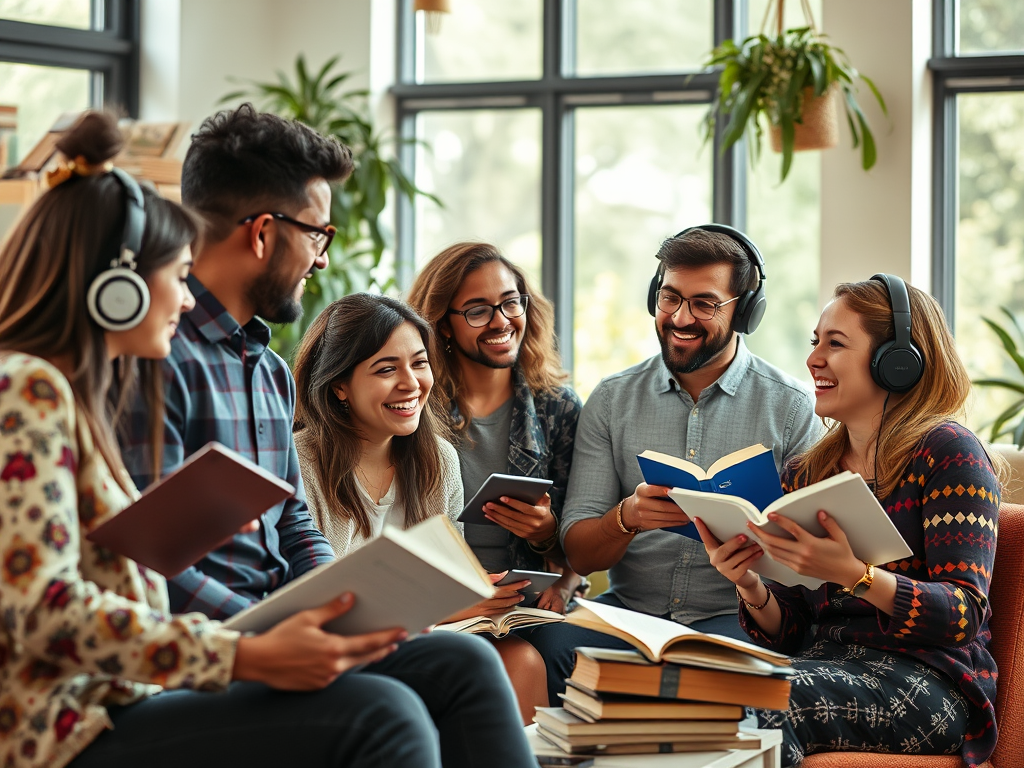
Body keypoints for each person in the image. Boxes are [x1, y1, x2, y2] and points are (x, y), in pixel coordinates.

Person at [0, 112, 536, 768]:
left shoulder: (258, 370)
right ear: (119, 293)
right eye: (174, 272)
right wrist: (256, 645)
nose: (180, 297)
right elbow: (67, 601)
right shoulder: (55, 387)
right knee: (386, 715)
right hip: (85, 711)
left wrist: (344, 608)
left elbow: (278, 519)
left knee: (463, 659)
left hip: (178, 661)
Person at [695, 275, 1002, 767]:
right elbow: (793, 629)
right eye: (815, 342)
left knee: (770, 696)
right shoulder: (806, 472)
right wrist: (749, 583)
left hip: (929, 685)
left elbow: (963, 614)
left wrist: (854, 575)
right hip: (822, 665)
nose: (814, 359)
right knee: (696, 686)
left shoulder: (948, 454)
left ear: (897, 363)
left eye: (835, 344)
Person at [526, 224, 822, 705]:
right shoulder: (612, 400)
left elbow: (810, 560)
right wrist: (626, 519)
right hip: (628, 614)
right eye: (669, 298)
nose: (680, 317)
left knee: (755, 682)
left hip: (738, 618)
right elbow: (579, 554)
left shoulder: (790, 408)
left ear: (745, 311)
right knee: (542, 650)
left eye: (704, 304)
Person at [118, 104, 342, 617]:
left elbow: (293, 522)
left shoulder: (271, 371)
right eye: (317, 233)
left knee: (464, 658)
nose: (323, 256)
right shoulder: (154, 359)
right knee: (392, 700)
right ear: (263, 232)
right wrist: (263, 636)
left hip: (278, 625)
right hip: (213, 645)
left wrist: (346, 600)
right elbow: (148, 556)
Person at [407, 241, 584, 717]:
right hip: (439, 601)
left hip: (520, 605)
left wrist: (549, 540)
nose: (503, 321)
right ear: (444, 323)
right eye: (479, 310)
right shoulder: (413, 406)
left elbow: (579, 540)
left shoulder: (557, 409)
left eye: (511, 302)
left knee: (536, 657)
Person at [292, 293, 464, 556]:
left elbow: (454, 574)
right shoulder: (298, 464)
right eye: (387, 369)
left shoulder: (441, 461)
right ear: (340, 386)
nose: (412, 384)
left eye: (419, 363)